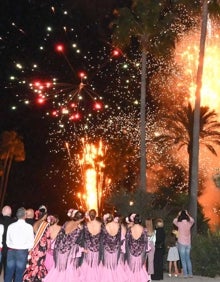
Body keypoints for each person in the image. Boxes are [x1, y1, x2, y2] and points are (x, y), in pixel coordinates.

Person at [43, 209, 85, 282]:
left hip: (59, 250)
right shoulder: (79, 228)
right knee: (67, 270)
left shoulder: (66, 223)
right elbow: (73, 242)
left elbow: (60, 237)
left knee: (59, 269)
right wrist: (81, 249)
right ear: (82, 218)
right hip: (68, 253)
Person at [5, 207, 34, 282]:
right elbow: (31, 243)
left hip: (11, 251)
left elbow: (7, 241)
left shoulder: (11, 226)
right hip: (22, 252)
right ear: (25, 216)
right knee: (19, 274)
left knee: (8, 273)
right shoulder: (29, 227)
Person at [23, 205, 49, 281]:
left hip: (33, 249)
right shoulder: (45, 224)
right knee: (37, 268)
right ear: (46, 214)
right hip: (40, 250)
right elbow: (47, 238)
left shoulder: (35, 223)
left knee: (32, 267)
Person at [101, 213, 127, 282]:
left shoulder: (105, 226)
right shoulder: (119, 226)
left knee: (107, 266)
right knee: (116, 265)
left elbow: (103, 239)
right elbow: (121, 238)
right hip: (116, 249)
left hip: (107, 249)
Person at [125, 213, 150, 282]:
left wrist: (126, 252)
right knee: (139, 267)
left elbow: (127, 240)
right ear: (140, 220)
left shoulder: (130, 229)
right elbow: (145, 241)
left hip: (131, 251)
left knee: (131, 267)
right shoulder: (144, 229)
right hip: (140, 251)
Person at [79, 209, 102, 282]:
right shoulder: (100, 224)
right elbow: (102, 237)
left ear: (89, 215)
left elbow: (86, 237)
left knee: (89, 265)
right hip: (98, 248)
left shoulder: (86, 225)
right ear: (96, 215)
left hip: (88, 249)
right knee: (96, 265)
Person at [173, 210, 194, 278]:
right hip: (188, 243)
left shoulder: (179, 223)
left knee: (183, 259)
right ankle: (190, 274)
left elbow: (174, 221)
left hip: (181, 243)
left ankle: (185, 274)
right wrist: (188, 214)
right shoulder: (189, 223)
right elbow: (192, 220)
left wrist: (178, 215)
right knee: (188, 258)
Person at [0, 205, 15, 276]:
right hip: (9, 249)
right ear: (10, 213)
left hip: (0, 247)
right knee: (7, 268)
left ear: (2, 212)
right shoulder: (14, 222)